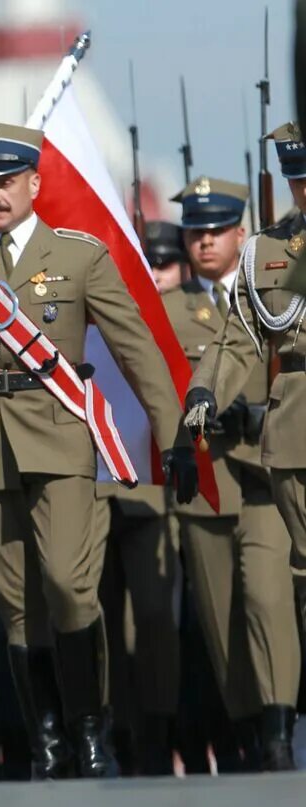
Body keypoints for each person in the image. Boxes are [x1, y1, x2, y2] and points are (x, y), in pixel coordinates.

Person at [0, 121, 198, 779]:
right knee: (18, 610)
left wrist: (173, 440)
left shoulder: (79, 256)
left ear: (34, 182)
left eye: (6, 180)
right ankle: (50, 741)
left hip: (60, 441)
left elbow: (138, 352)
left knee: (67, 585)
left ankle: (91, 728)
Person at [185, 141, 306, 770]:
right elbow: (240, 338)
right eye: (299, 180)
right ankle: (276, 730)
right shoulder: (270, 251)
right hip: (290, 439)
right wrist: (207, 386)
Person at [86, 220, 185, 775]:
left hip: (144, 494)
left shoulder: (148, 322)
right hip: (92, 493)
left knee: (152, 617)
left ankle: (157, 727)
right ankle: (117, 731)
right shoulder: (68, 326)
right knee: (100, 619)